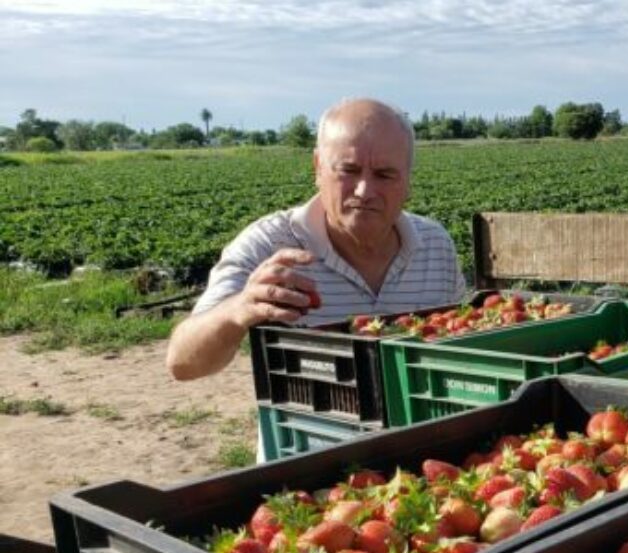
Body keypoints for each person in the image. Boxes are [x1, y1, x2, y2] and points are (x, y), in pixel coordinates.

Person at [166, 98, 466, 380]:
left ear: (408, 180)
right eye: (348, 170)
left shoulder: (435, 245)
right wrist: (238, 309)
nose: (364, 191)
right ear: (317, 168)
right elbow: (182, 363)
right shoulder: (270, 245)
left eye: (385, 175)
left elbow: (463, 345)